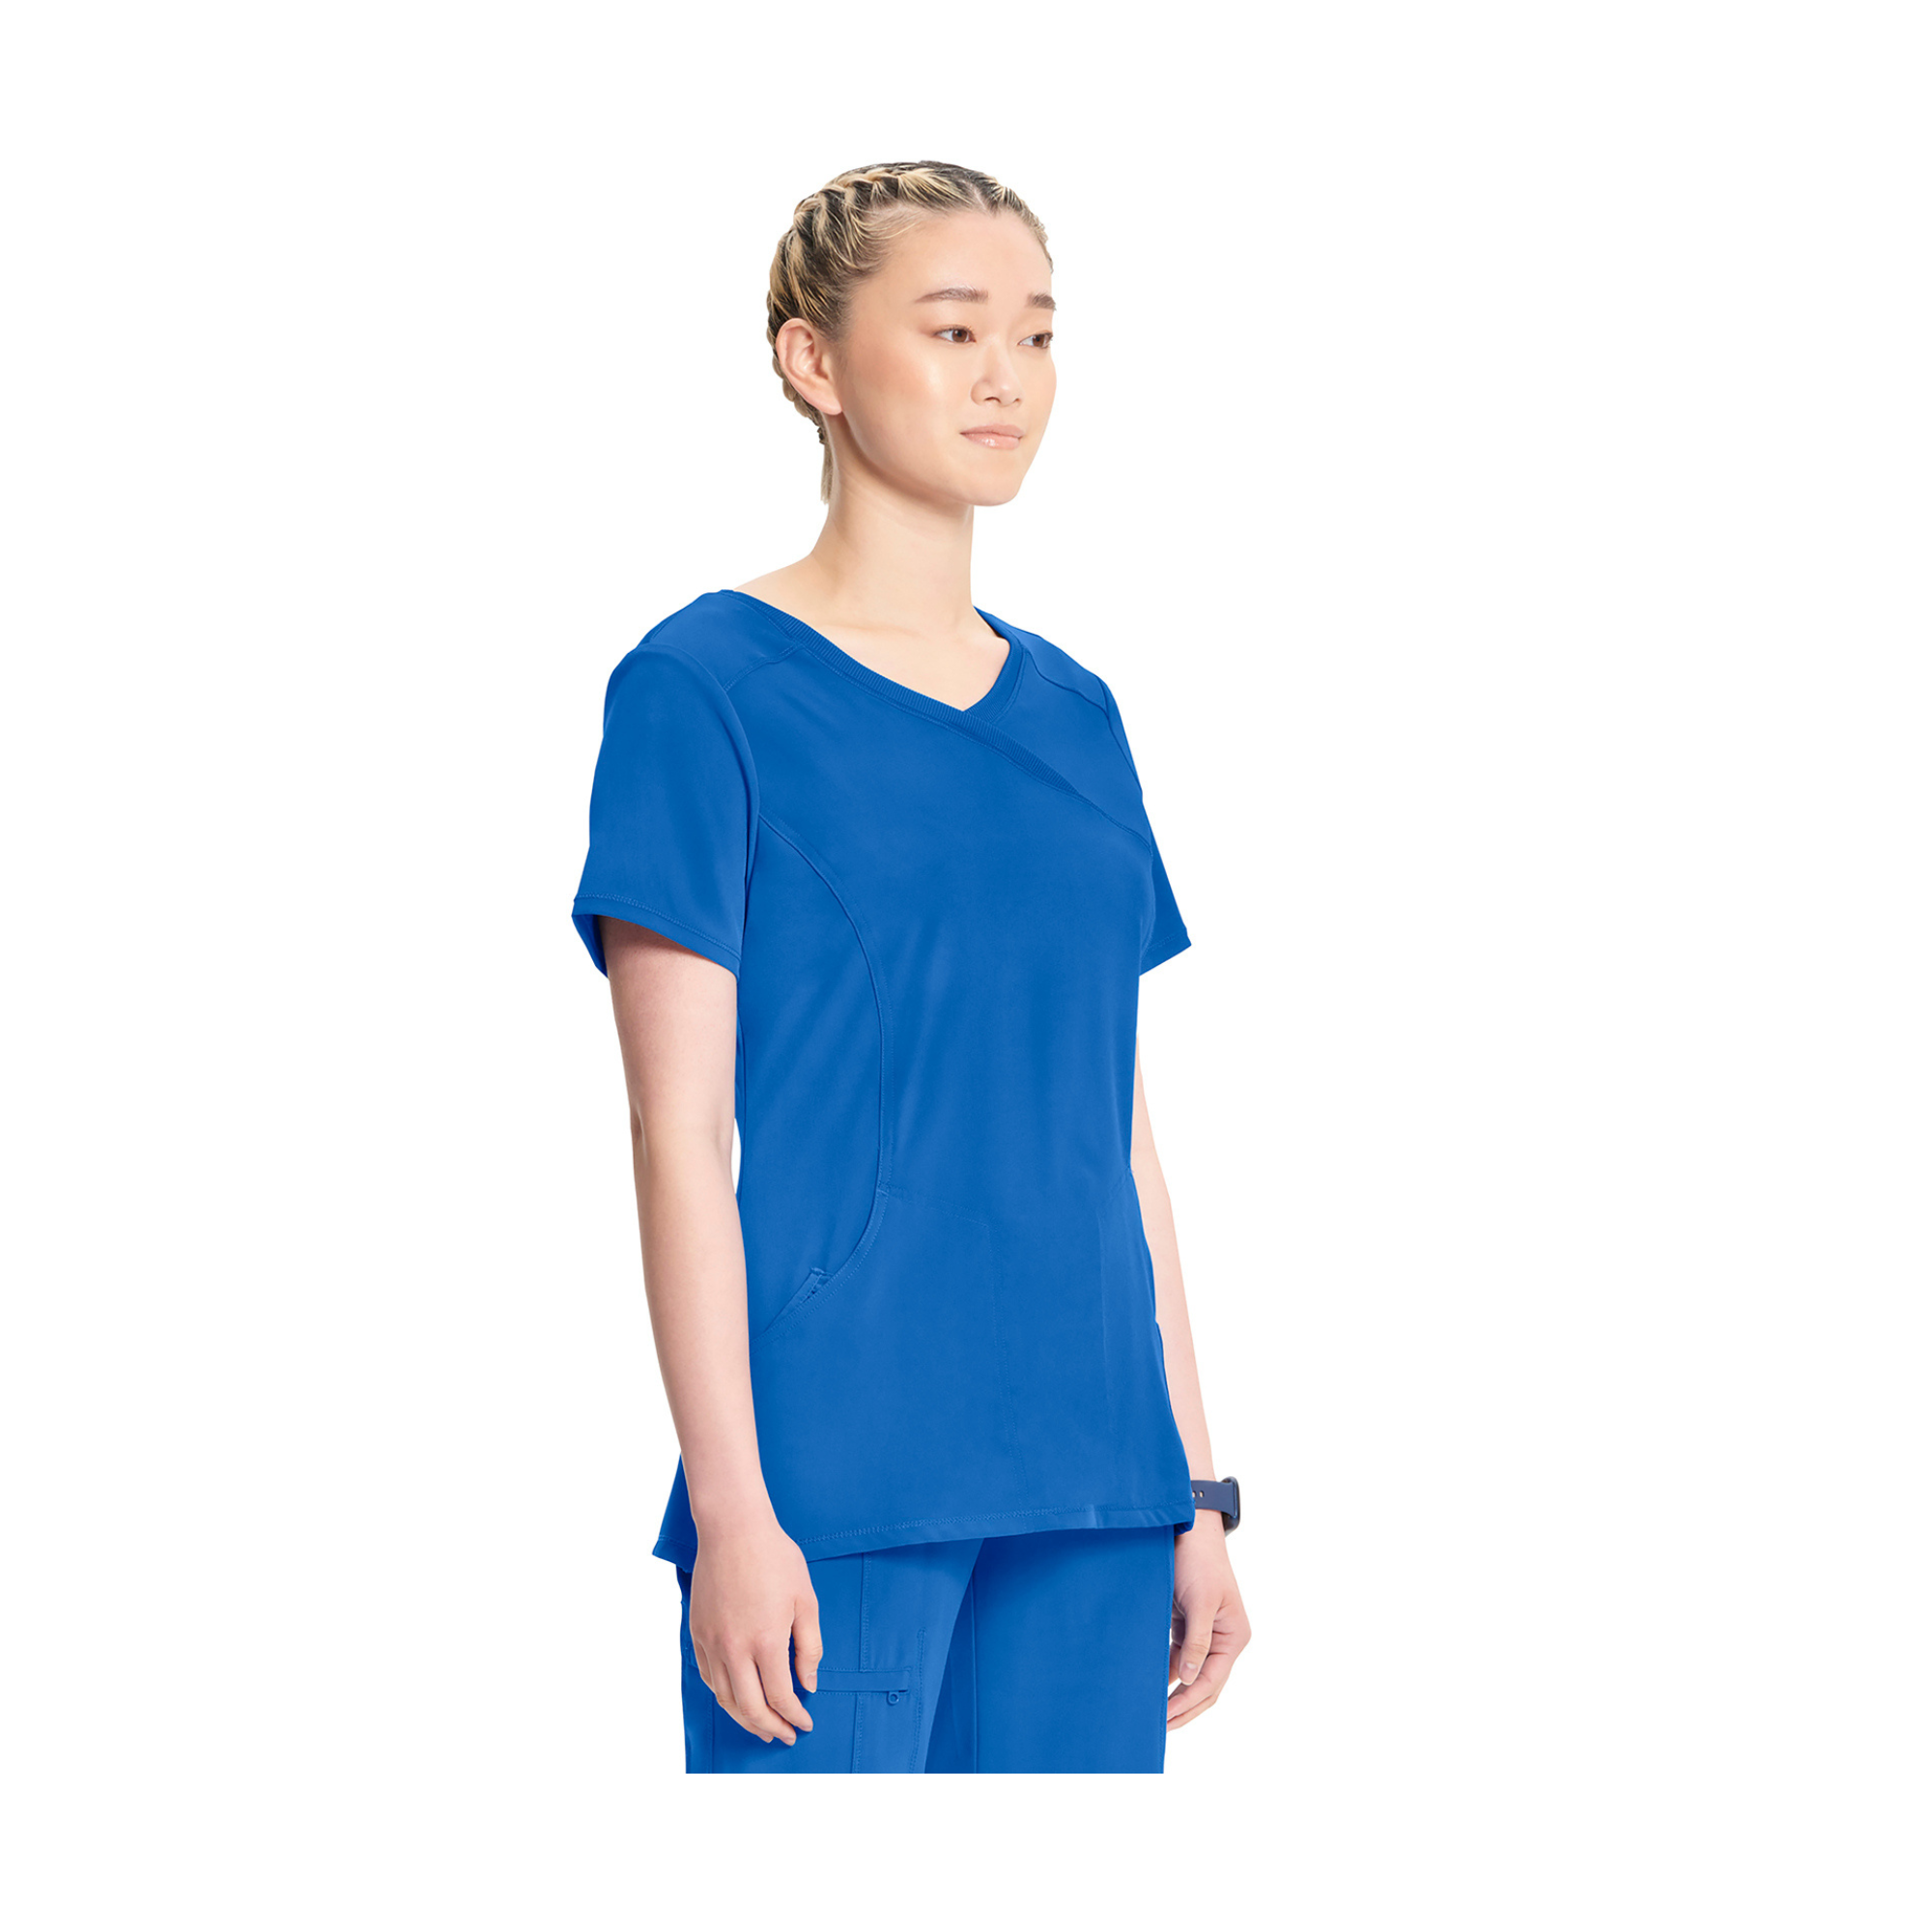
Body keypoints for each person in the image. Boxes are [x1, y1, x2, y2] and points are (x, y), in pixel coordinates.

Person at [571, 160, 1250, 1774]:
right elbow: (680, 1135)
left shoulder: (1077, 711)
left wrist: (1197, 1486)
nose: (1005, 375)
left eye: (1036, 333)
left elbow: (1117, 1131)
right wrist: (733, 1507)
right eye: (952, 330)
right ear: (813, 361)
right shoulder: (700, 688)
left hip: (1099, 1478)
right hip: (836, 1477)